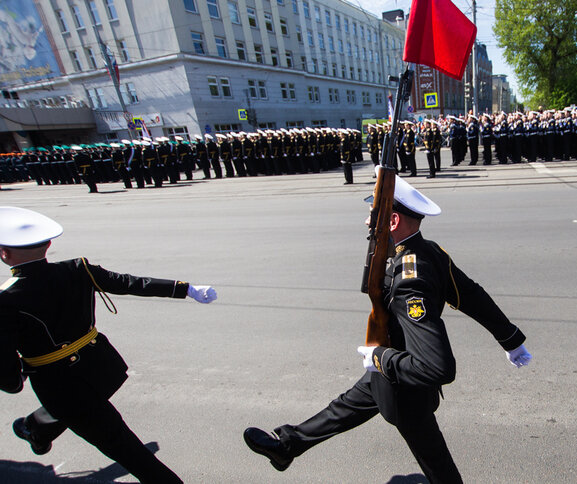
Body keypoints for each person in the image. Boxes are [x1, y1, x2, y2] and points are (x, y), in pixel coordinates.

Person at [244, 175, 532, 483]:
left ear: (392, 220)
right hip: (390, 374)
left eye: (373, 214)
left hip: (406, 387)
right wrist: (510, 339)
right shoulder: (429, 251)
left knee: (436, 463)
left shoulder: (410, 280)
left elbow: (438, 368)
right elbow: (472, 295)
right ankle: (288, 445)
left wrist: (380, 357)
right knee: (346, 405)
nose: (367, 220)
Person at [0, 206, 217, 483]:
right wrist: (184, 288)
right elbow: (128, 283)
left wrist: (14, 381)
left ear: (4, 253)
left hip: (60, 386)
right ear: (50, 243)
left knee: (125, 448)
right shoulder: (78, 269)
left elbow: (6, 368)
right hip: (102, 367)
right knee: (91, 418)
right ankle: (38, 429)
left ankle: (37, 428)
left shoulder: (6, 299)